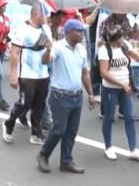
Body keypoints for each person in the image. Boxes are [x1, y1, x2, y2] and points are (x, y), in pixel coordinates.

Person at [36, 19, 96, 174]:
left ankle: (66, 161)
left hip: (77, 96)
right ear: (69, 32)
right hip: (60, 96)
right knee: (58, 129)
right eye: (79, 31)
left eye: (82, 31)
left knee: (72, 130)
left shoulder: (81, 50)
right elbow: (45, 61)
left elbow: (84, 73)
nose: (82, 34)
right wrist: (48, 50)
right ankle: (43, 154)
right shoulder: (58, 47)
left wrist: (90, 93)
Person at [3, 4, 52, 145]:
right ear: (37, 14)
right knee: (25, 103)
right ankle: (9, 123)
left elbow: (48, 57)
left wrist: (49, 50)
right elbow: (14, 53)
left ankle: (36, 134)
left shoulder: (46, 29)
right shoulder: (23, 28)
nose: (47, 17)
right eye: (45, 14)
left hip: (42, 74)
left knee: (39, 105)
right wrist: (13, 74)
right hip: (26, 74)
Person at [99, 29, 139, 160]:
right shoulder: (104, 50)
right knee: (109, 118)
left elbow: (138, 57)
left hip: (124, 88)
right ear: (112, 40)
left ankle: (133, 149)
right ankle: (108, 147)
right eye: (119, 39)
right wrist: (122, 85)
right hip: (110, 89)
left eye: (122, 37)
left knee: (130, 117)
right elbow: (104, 73)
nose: (122, 40)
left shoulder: (125, 44)